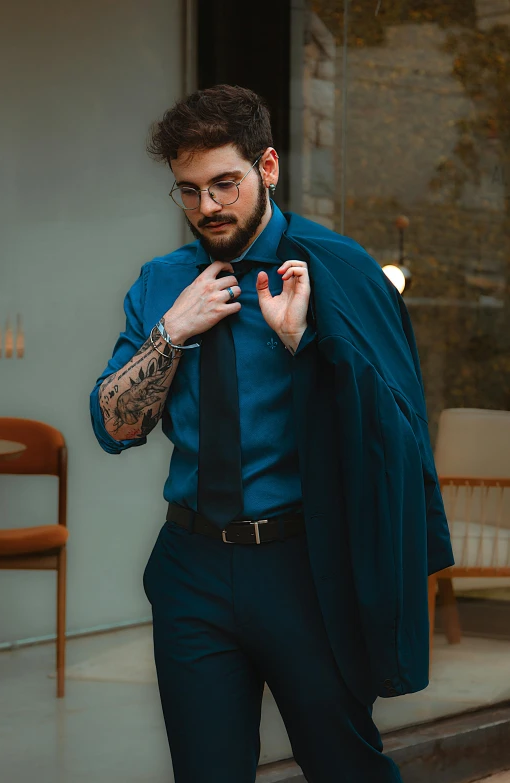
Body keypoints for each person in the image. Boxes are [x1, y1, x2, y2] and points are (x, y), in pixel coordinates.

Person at [90, 84, 451, 783]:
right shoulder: (164, 283)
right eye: (188, 191)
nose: (208, 207)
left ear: (270, 167)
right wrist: (172, 331)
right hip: (191, 566)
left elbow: (398, 433)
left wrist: (306, 345)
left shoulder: (338, 269)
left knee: (346, 766)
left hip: (305, 566)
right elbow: (113, 423)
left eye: (225, 183)